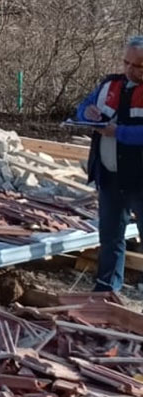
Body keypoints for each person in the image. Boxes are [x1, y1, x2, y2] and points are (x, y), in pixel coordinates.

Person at [74, 36, 143, 292]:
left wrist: (119, 132)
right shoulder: (109, 84)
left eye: (137, 66)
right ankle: (106, 293)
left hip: (139, 179)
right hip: (110, 177)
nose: (129, 70)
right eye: (126, 62)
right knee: (111, 238)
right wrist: (86, 114)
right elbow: (83, 108)